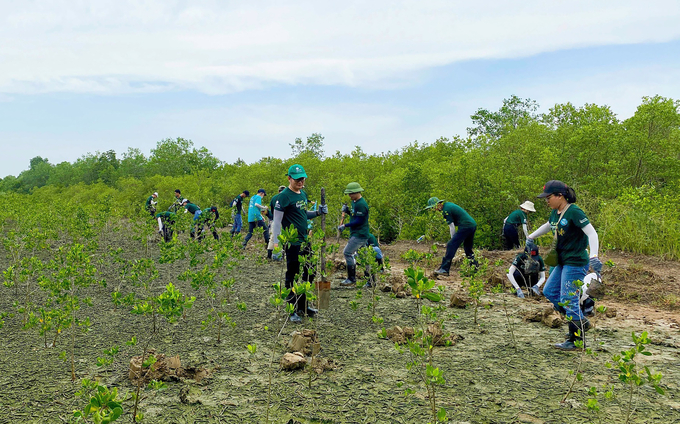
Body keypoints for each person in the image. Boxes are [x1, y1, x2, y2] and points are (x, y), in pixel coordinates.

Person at [527, 180, 602, 351]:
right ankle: (580, 320)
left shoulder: (574, 212)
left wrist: (594, 256)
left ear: (560, 196)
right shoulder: (555, 212)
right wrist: (531, 236)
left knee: (569, 300)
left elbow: (592, 233)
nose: (546, 201)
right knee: (549, 291)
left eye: (549, 197)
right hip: (562, 260)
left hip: (575, 261)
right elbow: (549, 225)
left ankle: (576, 340)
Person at [270, 164, 328, 323]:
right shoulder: (283, 197)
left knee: (309, 273)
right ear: (289, 178)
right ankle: (291, 309)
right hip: (292, 242)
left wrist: (317, 212)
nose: (300, 182)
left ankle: (303, 306)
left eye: (302, 179)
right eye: (297, 179)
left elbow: (303, 214)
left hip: (305, 241)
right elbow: (276, 222)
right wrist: (276, 244)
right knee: (292, 275)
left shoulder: (303, 194)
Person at [425, 197, 478, 276]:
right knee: (468, 249)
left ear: (439, 204)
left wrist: (453, 240)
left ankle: (444, 269)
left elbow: (451, 226)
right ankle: (475, 270)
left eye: (433, 207)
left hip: (465, 226)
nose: (434, 209)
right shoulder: (448, 205)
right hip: (472, 225)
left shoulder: (445, 210)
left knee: (451, 244)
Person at [338, 182, 370, 287]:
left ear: (357, 192)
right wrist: (347, 211)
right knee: (364, 257)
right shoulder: (354, 202)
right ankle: (371, 280)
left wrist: (345, 225)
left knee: (347, 252)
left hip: (359, 234)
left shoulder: (361, 204)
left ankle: (351, 278)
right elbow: (354, 215)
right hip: (358, 234)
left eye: (351, 193)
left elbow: (359, 221)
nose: (349, 196)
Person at [242, 189, 270, 254]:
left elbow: (254, 208)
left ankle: (243, 244)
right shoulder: (258, 197)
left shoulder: (252, 197)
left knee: (250, 232)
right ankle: (268, 244)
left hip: (251, 217)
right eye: (263, 194)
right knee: (265, 230)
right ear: (262, 193)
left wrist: (262, 216)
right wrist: (264, 207)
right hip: (256, 217)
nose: (263, 196)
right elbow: (256, 204)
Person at [267, 186, 287, 260]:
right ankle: (282, 256)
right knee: (284, 238)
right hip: (284, 220)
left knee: (273, 237)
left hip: (275, 219)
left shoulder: (274, 198)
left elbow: (272, 210)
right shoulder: (286, 197)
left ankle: (269, 255)